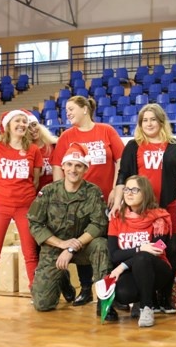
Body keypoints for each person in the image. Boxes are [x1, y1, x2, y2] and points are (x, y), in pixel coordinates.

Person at [113, 103, 176, 314]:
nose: (148, 123)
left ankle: (164, 297)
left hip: (168, 208)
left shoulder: (174, 145)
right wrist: (118, 201)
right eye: (144, 120)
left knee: (169, 249)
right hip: (141, 211)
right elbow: (122, 177)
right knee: (145, 251)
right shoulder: (133, 146)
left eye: (152, 119)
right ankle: (149, 298)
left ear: (160, 121)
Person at [50, 95, 124, 307]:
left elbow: (121, 161)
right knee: (80, 242)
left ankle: (112, 291)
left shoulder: (106, 130)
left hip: (106, 200)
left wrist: (115, 191)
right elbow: (57, 166)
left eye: (71, 109)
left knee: (107, 245)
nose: (68, 113)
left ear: (85, 109)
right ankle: (86, 289)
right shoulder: (66, 136)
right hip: (78, 203)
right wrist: (61, 197)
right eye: (66, 110)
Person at [28, 143, 111, 312]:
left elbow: (99, 224)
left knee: (102, 245)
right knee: (42, 305)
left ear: (85, 169)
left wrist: (72, 248)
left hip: (83, 247)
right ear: (63, 167)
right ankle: (62, 278)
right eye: (70, 165)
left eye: (79, 166)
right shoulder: (48, 191)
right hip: (54, 248)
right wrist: (61, 244)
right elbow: (35, 223)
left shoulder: (93, 192)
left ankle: (105, 300)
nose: (74, 170)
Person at [0, 110, 43, 314]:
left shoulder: (33, 150)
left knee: (30, 253)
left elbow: (35, 180)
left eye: (25, 121)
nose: (22, 124)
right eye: (18, 120)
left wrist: (23, 197)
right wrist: (4, 196)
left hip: (25, 205)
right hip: (1, 206)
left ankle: (36, 293)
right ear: (8, 125)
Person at [106, 175, 174, 327]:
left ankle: (146, 307)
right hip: (132, 271)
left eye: (135, 190)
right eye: (127, 189)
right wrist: (140, 248)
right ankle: (138, 300)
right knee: (123, 294)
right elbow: (114, 255)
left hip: (158, 270)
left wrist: (123, 265)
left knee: (143, 258)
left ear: (145, 193)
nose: (129, 193)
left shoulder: (160, 218)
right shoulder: (116, 218)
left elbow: (157, 249)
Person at [26, 110, 58, 192]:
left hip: (55, 195)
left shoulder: (54, 145)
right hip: (36, 196)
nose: (33, 130)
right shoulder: (26, 151)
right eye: (28, 128)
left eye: (34, 125)